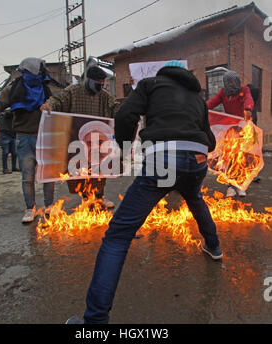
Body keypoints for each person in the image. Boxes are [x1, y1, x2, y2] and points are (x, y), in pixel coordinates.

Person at [66, 60, 222, 324]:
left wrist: (124, 148)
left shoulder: (150, 84)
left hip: (163, 159)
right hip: (196, 161)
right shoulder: (197, 97)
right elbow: (211, 140)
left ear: (163, 74)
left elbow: (126, 115)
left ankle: (94, 322)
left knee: (117, 236)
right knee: (195, 199)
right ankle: (214, 247)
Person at [0, 57, 55, 223]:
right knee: (28, 177)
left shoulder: (47, 89)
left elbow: (61, 102)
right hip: (24, 137)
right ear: (29, 72)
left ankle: (49, 207)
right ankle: (30, 209)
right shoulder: (14, 89)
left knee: (48, 176)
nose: (40, 74)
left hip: (45, 137)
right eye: (38, 71)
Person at [40, 65, 120, 208]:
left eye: (102, 84)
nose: (100, 86)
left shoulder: (104, 96)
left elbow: (116, 108)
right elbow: (57, 100)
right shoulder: (73, 91)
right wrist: (49, 106)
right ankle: (86, 197)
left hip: (99, 139)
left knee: (100, 169)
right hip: (78, 139)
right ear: (88, 80)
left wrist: (129, 113)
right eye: (97, 83)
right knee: (81, 171)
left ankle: (100, 196)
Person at [207, 70, 254, 197]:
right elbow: (212, 102)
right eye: (228, 82)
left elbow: (248, 99)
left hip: (243, 128)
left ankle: (240, 186)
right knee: (229, 157)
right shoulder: (223, 92)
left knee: (242, 157)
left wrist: (248, 108)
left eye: (233, 81)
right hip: (230, 129)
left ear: (238, 82)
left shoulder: (244, 90)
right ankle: (230, 187)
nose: (230, 84)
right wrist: (201, 107)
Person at [0, 110, 19, 174]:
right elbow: (8, 113)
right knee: (5, 152)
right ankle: (5, 169)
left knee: (14, 152)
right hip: (5, 134)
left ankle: (14, 167)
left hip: (12, 135)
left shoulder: (13, 116)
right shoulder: (5, 114)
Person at [247, 83, 261, 183]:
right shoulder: (250, 104)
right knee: (249, 154)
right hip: (247, 132)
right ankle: (250, 174)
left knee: (252, 153)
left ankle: (252, 174)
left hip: (252, 131)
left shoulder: (252, 103)